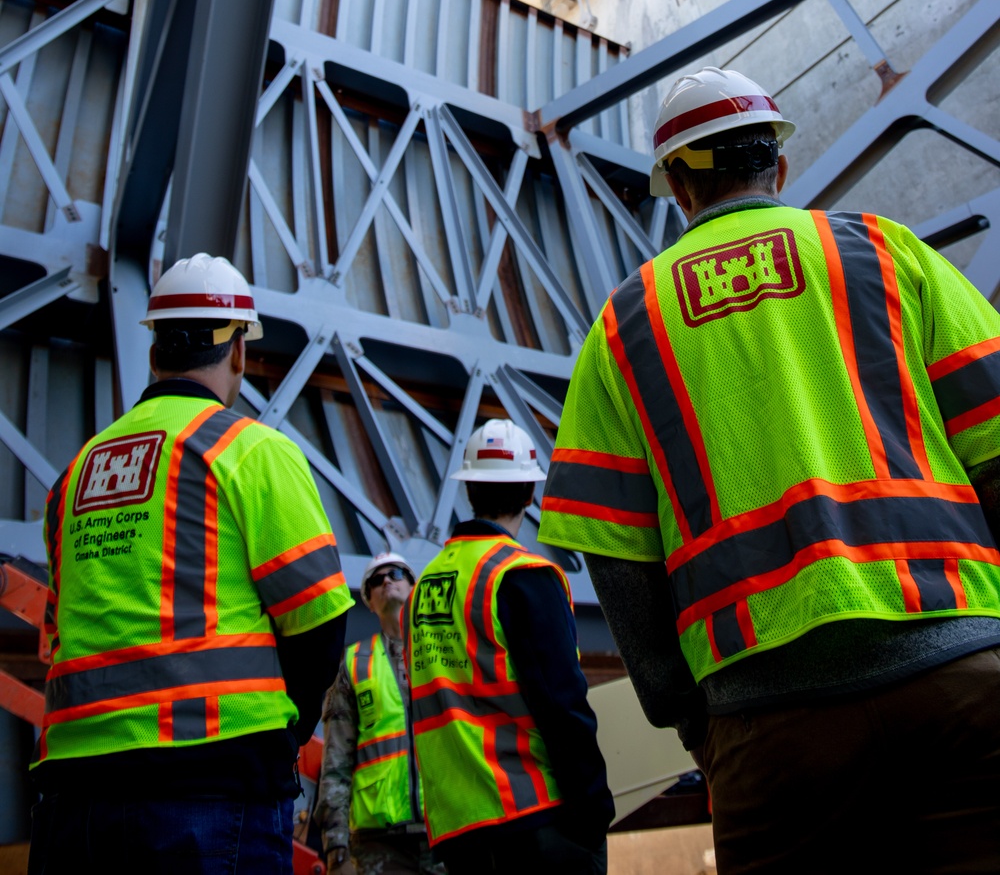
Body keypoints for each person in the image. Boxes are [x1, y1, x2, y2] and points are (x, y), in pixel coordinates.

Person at [537, 65, 1000, 874]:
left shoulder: (623, 325)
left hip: (772, 726)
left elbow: (618, 557)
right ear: (778, 167)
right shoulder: (887, 253)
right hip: (960, 677)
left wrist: (693, 721)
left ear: (677, 187)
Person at [29, 253, 353, 875]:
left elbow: (58, 635)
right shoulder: (251, 451)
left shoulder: (74, 476)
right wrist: (285, 737)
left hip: (72, 798)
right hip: (210, 790)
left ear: (155, 349)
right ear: (237, 351)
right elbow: (318, 628)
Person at [403, 418, 614, 875]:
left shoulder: (424, 588)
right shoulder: (522, 576)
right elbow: (562, 704)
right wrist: (595, 806)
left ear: (469, 491)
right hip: (533, 816)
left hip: (460, 830)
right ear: (529, 494)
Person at [314, 550, 444, 875]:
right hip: (378, 841)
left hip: (447, 826)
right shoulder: (352, 664)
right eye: (376, 580)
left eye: (396, 573)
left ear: (414, 587)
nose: (386, 581)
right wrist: (336, 850)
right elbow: (335, 763)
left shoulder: (447, 652)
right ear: (369, 601)